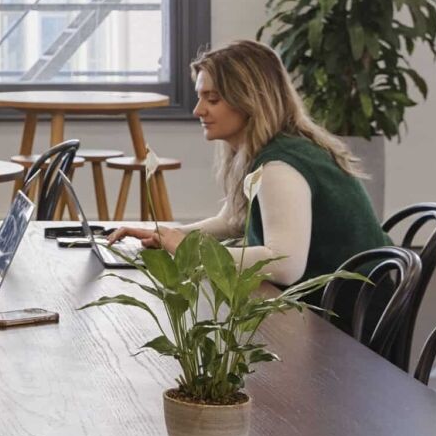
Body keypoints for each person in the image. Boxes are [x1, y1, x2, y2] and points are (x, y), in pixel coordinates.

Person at [108, 39, 389, 288]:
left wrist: (189, 250)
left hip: (345, 324)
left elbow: (283, 265)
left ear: (249, 101)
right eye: (199, 97)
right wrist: (169, 235)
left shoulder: (279, 167)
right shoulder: (280, 147)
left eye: (212, 99)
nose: (198, 110)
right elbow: (232, 221)